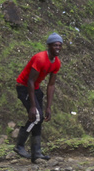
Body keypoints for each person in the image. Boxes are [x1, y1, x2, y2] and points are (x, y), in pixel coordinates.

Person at [13, 33, 63, 163]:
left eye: (60, 45)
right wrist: (33, 106)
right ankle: (19, 145)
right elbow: (29, 81)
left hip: (35, 88)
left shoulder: (56, 63)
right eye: (55, 45)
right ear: (49, 46)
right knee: (36, 116)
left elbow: (51, 85)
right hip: (24, 87)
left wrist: (48, 107)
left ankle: (36, 153)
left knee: (39, 119)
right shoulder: (40, 58)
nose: (57, 48)